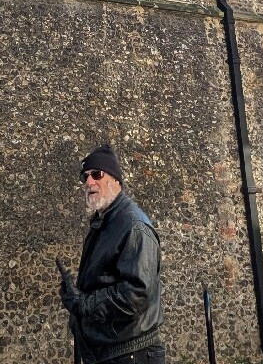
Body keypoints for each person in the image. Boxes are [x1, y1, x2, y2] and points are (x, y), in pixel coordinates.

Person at [58, 144, 164, 364]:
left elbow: (136, 294)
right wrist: (74, 294)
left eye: (97, 174)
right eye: (84, 177)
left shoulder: (133, 226)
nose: (89, 182)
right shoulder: (105, 222)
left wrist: (84, 304)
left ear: (115, 180)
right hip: (110, 353)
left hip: (130, 355)